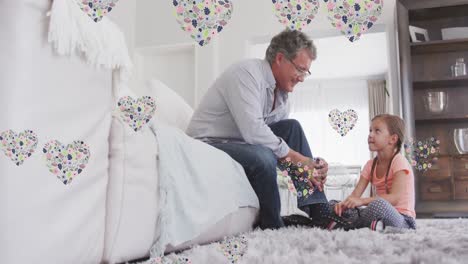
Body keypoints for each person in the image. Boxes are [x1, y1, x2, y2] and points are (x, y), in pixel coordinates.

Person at [186, 29, 329, 230]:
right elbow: (254, 131)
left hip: (240, 143)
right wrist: (298, 158)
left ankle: (319, 210)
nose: (302, 78)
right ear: (280, 58)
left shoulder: (283, 98)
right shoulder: (246, 74)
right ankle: (272, 224)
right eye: (300, 70)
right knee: (263, 156)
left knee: (292, 128)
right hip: (207, 143)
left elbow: (278, 147)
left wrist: (310, 167)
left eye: (306, 72)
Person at [332, 114, 416, 231]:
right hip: (377, 213)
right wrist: (344, 204)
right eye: (370, 130)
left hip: (403, 221)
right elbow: (355, 196)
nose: (370, 135)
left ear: (393, 139)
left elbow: (394, 198)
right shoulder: (370, 165)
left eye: (377, 131)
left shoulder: (400, 162)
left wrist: (362, 201)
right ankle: (366, 224)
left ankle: (347, 224)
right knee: (333, 204)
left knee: (378, 205)